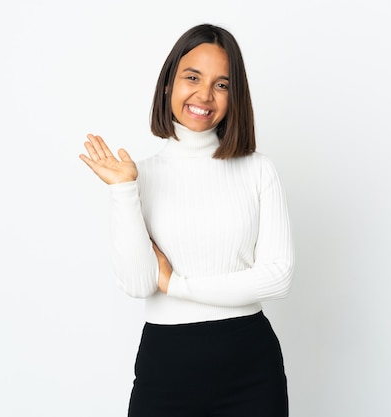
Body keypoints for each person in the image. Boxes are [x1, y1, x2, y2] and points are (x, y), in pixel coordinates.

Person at [80, 23, 295, 417]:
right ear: (168, 84)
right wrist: (124, 190)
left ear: (235, 97)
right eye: (192, 77)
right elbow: (137, 283)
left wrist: (177, 285)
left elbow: (278, 277)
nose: (204, 95)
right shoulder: (137, 176)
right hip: (166, 364)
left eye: (222, 85)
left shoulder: (258, 171)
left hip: (250, 364)